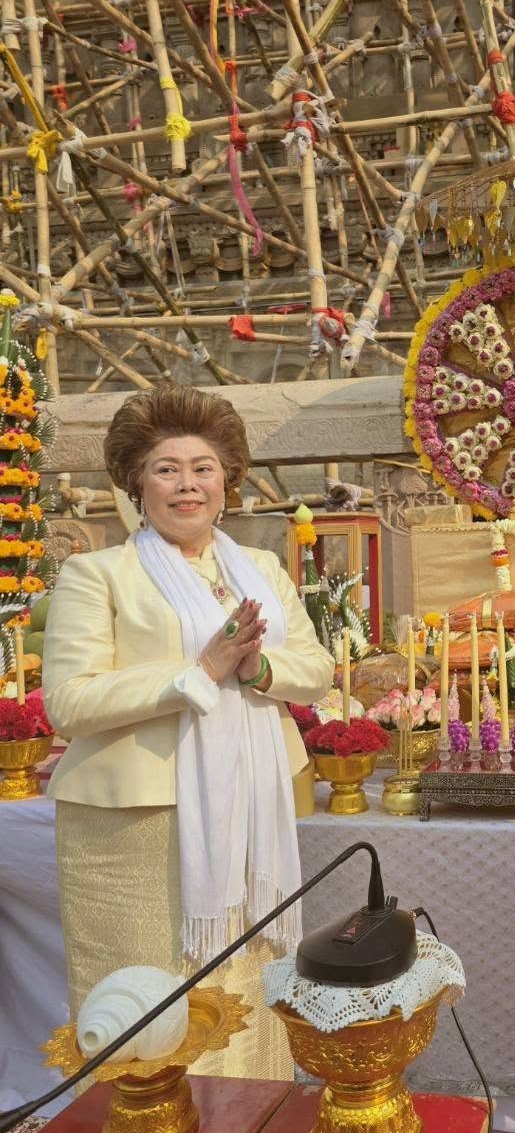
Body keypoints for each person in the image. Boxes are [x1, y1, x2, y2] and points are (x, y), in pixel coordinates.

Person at [43, 384, 335, 1079]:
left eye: (203, 468)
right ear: (136, 483)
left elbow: (317, 669)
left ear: (227, 481)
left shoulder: (261, 569)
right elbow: (68, 703)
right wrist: (198, 672)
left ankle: (248, 1123)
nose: (187, 485)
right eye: (166, 469)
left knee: (246, 985)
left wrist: (257, 667)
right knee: (145, 997)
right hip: (132, 823)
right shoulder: (97, 573)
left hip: (252, 805)